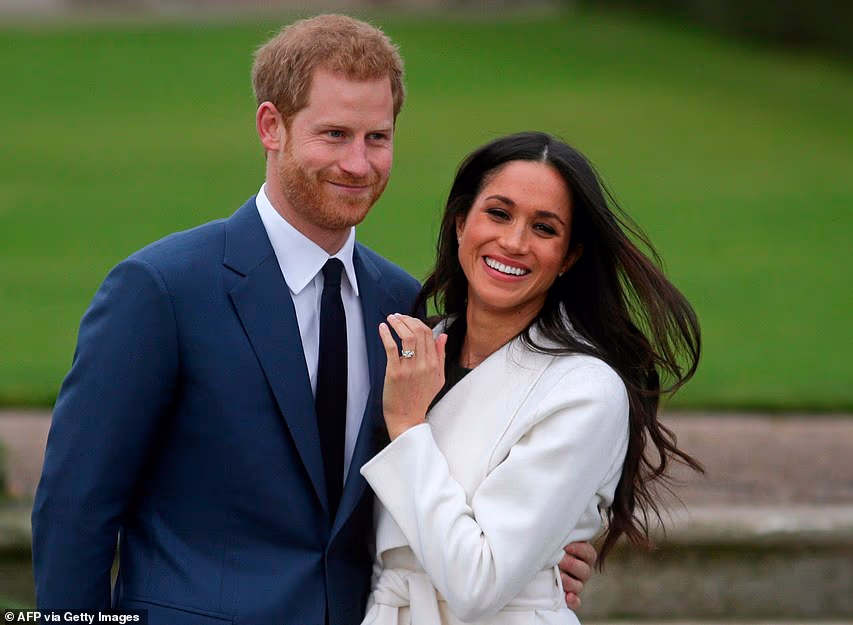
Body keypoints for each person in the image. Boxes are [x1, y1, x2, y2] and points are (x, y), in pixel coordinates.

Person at [31, 15, 594, 625]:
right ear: (271, 127)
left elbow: (439, 478)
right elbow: (74, 509)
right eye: (334, 134)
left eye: (377, 137)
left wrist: (542, 553)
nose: (358, 163)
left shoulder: (404, 304)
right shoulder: (162, 290)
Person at [357, 131, 703, 624]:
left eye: (544, 228)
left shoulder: (584, 390)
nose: (514, 242)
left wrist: (410, 427)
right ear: (461, 223)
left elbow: (479, 582)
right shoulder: (412, 353)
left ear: (569, 257)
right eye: (498, 213)